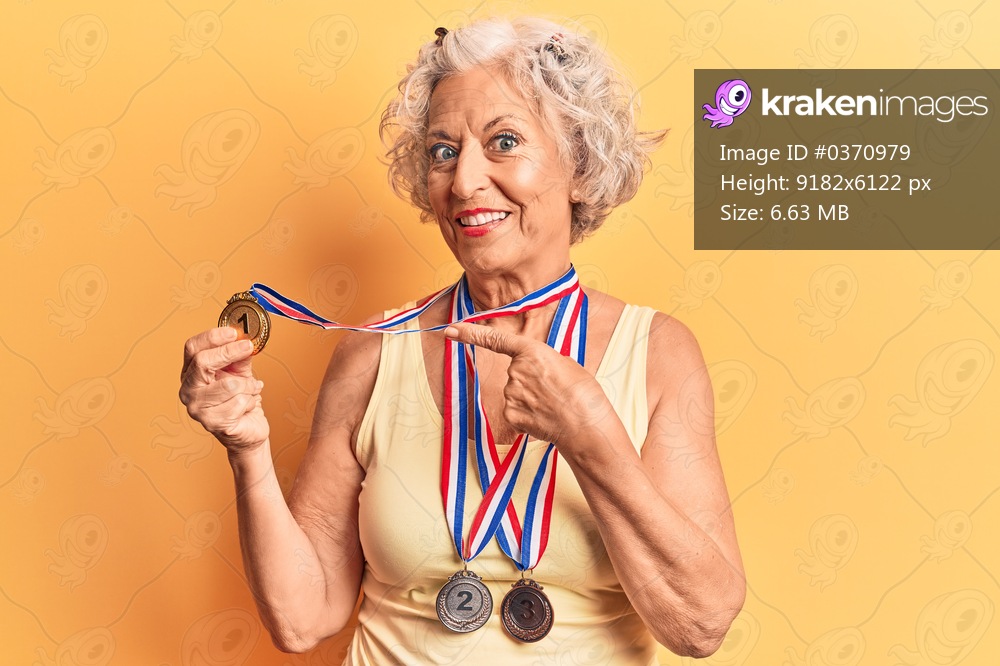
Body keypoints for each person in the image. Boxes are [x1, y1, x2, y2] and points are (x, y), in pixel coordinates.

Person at [180, 16, 745, 664]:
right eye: (443, 151)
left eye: (503, 141)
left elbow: (700, 627)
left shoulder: (659, 357)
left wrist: (594, 439)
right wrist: (246, 449)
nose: (465, 181)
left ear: (582, 166)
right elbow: (304, 620)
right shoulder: (370, 356)